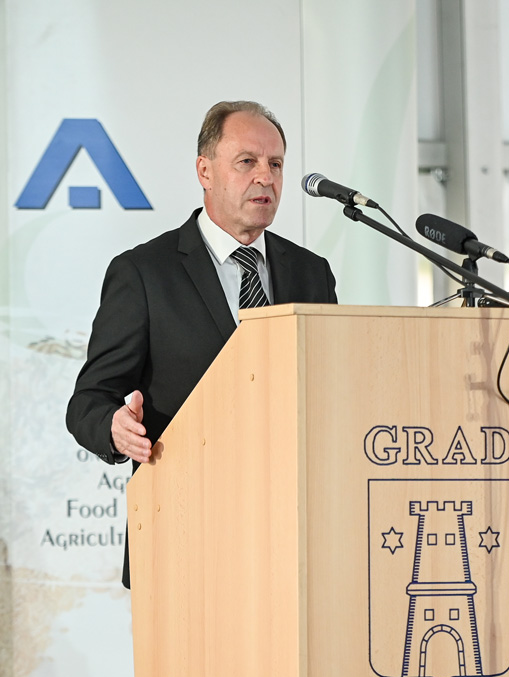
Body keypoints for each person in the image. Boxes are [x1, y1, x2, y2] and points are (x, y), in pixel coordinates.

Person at [66, 101, 338, 588]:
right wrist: (114, 428)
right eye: (247, 161)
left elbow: (331, 391)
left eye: (276, 164)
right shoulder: (144, 273)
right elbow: (88, 400)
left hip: (293, 535)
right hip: (184, 532)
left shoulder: (310, 272)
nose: (266, 177)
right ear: (205, 171)